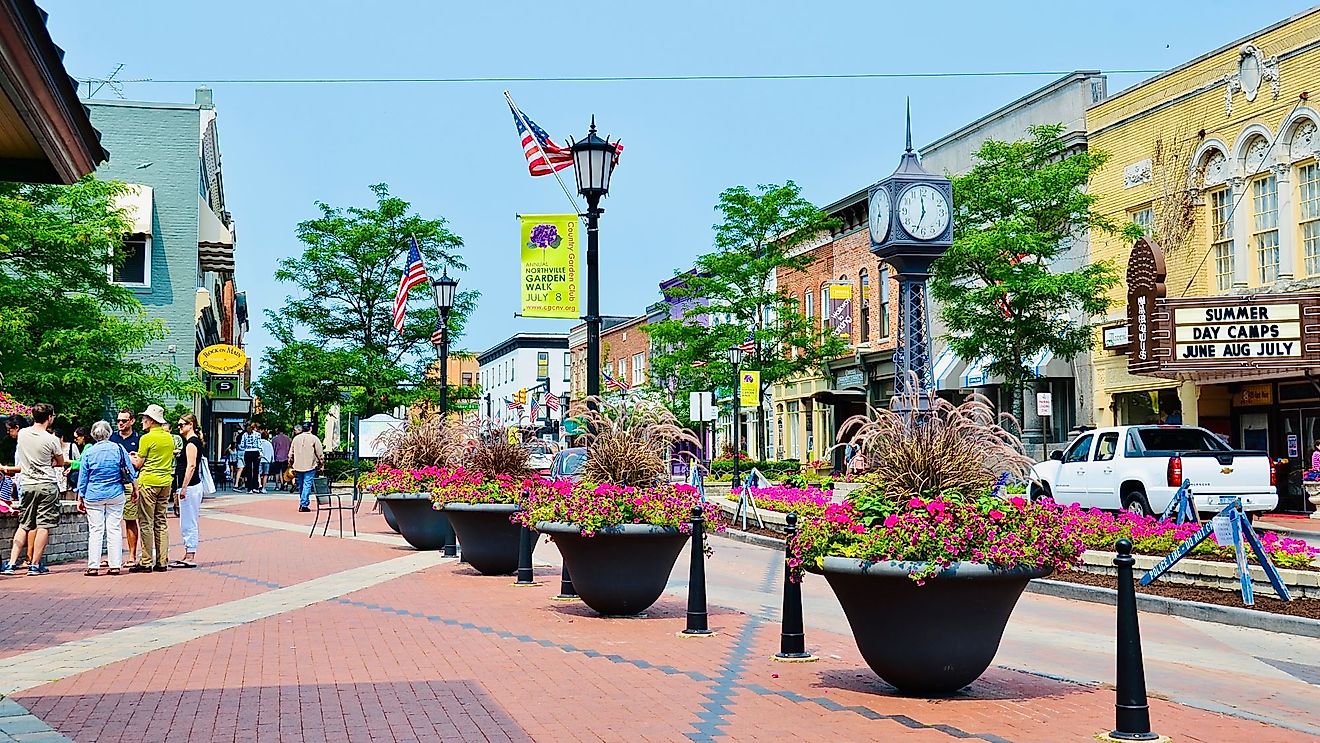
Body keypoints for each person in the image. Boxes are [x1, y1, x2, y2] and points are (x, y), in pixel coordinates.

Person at [2, 403, 66, 576]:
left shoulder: (23, 433)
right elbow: (60, 462)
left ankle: (11, 563)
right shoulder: (51, 439)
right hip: (46, 484)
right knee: (43, 525)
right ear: (49, 418)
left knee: (24, 524)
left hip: (27, 483)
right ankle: (35, 564)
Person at [77, 421, 128, 576]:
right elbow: (129, 469)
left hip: (94, 494)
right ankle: (115, 565)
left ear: (93, 434)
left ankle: (93, 565)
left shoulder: (89, 452)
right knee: (114, 528)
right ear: (109, 433)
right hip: (115, 492)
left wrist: (80, 496)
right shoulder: (119, 448)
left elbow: (83, 477)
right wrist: (135, 488)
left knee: (95, 530)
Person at [129, 404, 173, 573]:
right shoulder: (169, 437)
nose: (142, 421)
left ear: (151, 420)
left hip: (148, 481)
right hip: (165, 482)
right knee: (161, 521)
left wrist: (132, 458)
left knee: (146, 521)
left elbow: (139, 464)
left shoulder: (146, 438)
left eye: (144, 418)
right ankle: (162, 561)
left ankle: (146, 561)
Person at [170, 413, 204, 568]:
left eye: (182, 424)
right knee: (187, 520)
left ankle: (190, 554)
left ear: (191, 425)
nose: (179, 427)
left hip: (190, 486)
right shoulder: (191, 442)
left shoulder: (191, 443)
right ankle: (188, 553)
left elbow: (191, 466)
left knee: (188, 521)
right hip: (190, 486)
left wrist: (184, 487)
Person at [109, 409, 142, 565]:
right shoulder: (112, 439)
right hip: (113, 483)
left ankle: (132, 555)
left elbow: (142, 462)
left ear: (132, 421)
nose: (120, 423)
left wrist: (134, 458)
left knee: (130, 519)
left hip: (130, 483)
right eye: (118, 421)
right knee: (111, 522)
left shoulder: (138, 439)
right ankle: (112, 556)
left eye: (124, 420)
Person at [289, 420, 323, 513]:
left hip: (297, 465)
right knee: (307, 484)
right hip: (310, 465)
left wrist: (290, 463)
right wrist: (321, 463)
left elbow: (291, 453)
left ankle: (303, 502)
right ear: (310, 428)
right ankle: (304, 504)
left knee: (301, 485)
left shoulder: (296, 439)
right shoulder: (314, 439)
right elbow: (320, 453)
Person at [239, 423, 263, 493]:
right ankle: (255, 487)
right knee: (256, 470)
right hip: (255, 452)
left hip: (247, 452)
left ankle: (249, 488)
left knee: (248, 470)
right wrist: (261, 453)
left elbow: (242, 445)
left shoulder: (244, 435)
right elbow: (259, 444)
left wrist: (242, 448)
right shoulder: (257, 434)